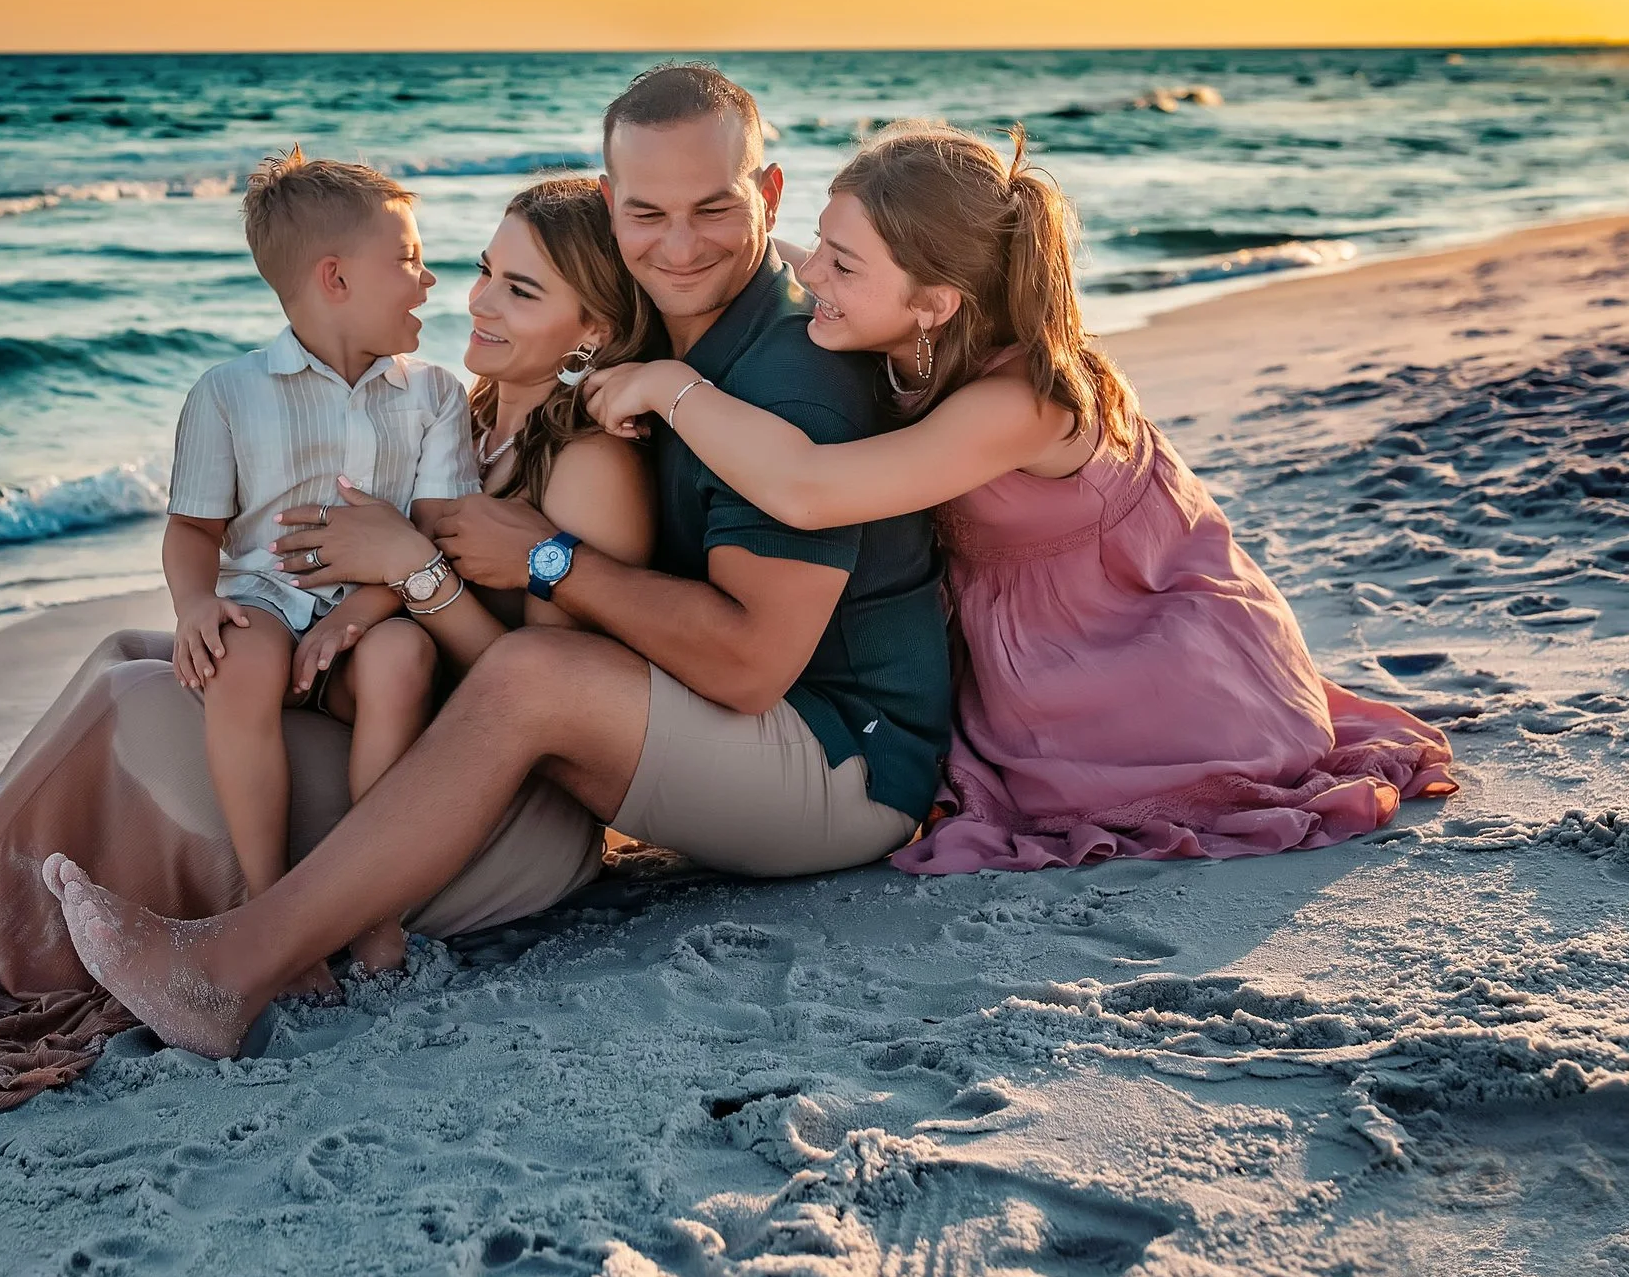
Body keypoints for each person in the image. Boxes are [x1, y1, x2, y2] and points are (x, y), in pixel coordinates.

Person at [46, 64, 955, 1059]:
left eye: (713, 208)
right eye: (646, 213)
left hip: (842, 762)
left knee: (531, 675)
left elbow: (749, 669)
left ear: (767, 195)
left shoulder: (791, 380)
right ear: (611, 203)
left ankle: (228, 973)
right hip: (728, 722)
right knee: (161, 663)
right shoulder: (656, 341)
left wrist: (544, 560)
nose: (679, 244)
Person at [0, 176, 656, 1149]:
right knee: (126, 659)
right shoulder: (461, 413)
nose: (474, 298)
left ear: (593, 327)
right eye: (483, 270)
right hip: (401, 734)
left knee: (131, 705)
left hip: (486, 807)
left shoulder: (589, 466)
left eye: (521, 289)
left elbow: (542, 699)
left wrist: (412, 571)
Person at [582, 119, 1458, 872]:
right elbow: (770, 260)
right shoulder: (909, 323)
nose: (812, 273)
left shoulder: (1021, 401)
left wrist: (670, 387)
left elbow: (808, 491)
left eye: (842, 264)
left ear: (934, 302)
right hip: (1028, 648)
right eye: (819, 243)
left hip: (1143, 656)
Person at [164, 149, 475, 975]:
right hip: (266, 598)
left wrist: (354, 617)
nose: (429, 279)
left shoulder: (436, 394)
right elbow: (192, 529)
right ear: (335, 278)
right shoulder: (227, 394)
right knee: (239, 660)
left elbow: (434, 539)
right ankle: (273, 905)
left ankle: (369, 903)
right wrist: (194, 605)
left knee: (403, 659)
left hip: (381, 608)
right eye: (408, 259)